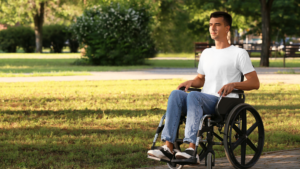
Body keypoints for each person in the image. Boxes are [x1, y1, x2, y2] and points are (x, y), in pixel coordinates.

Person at [147, 11, 260, 162]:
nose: (213, 28)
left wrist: (234, 84)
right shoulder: (206, 53)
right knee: (176, 94)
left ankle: (191, 150)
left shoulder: (239, 53)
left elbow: (254, 82)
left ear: (227, 28)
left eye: (217, 25)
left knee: (194, 96)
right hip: (202, 100)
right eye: (211, 25)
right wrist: (191, 82)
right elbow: (201, 79)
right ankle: (168, 147)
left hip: (223, 101)